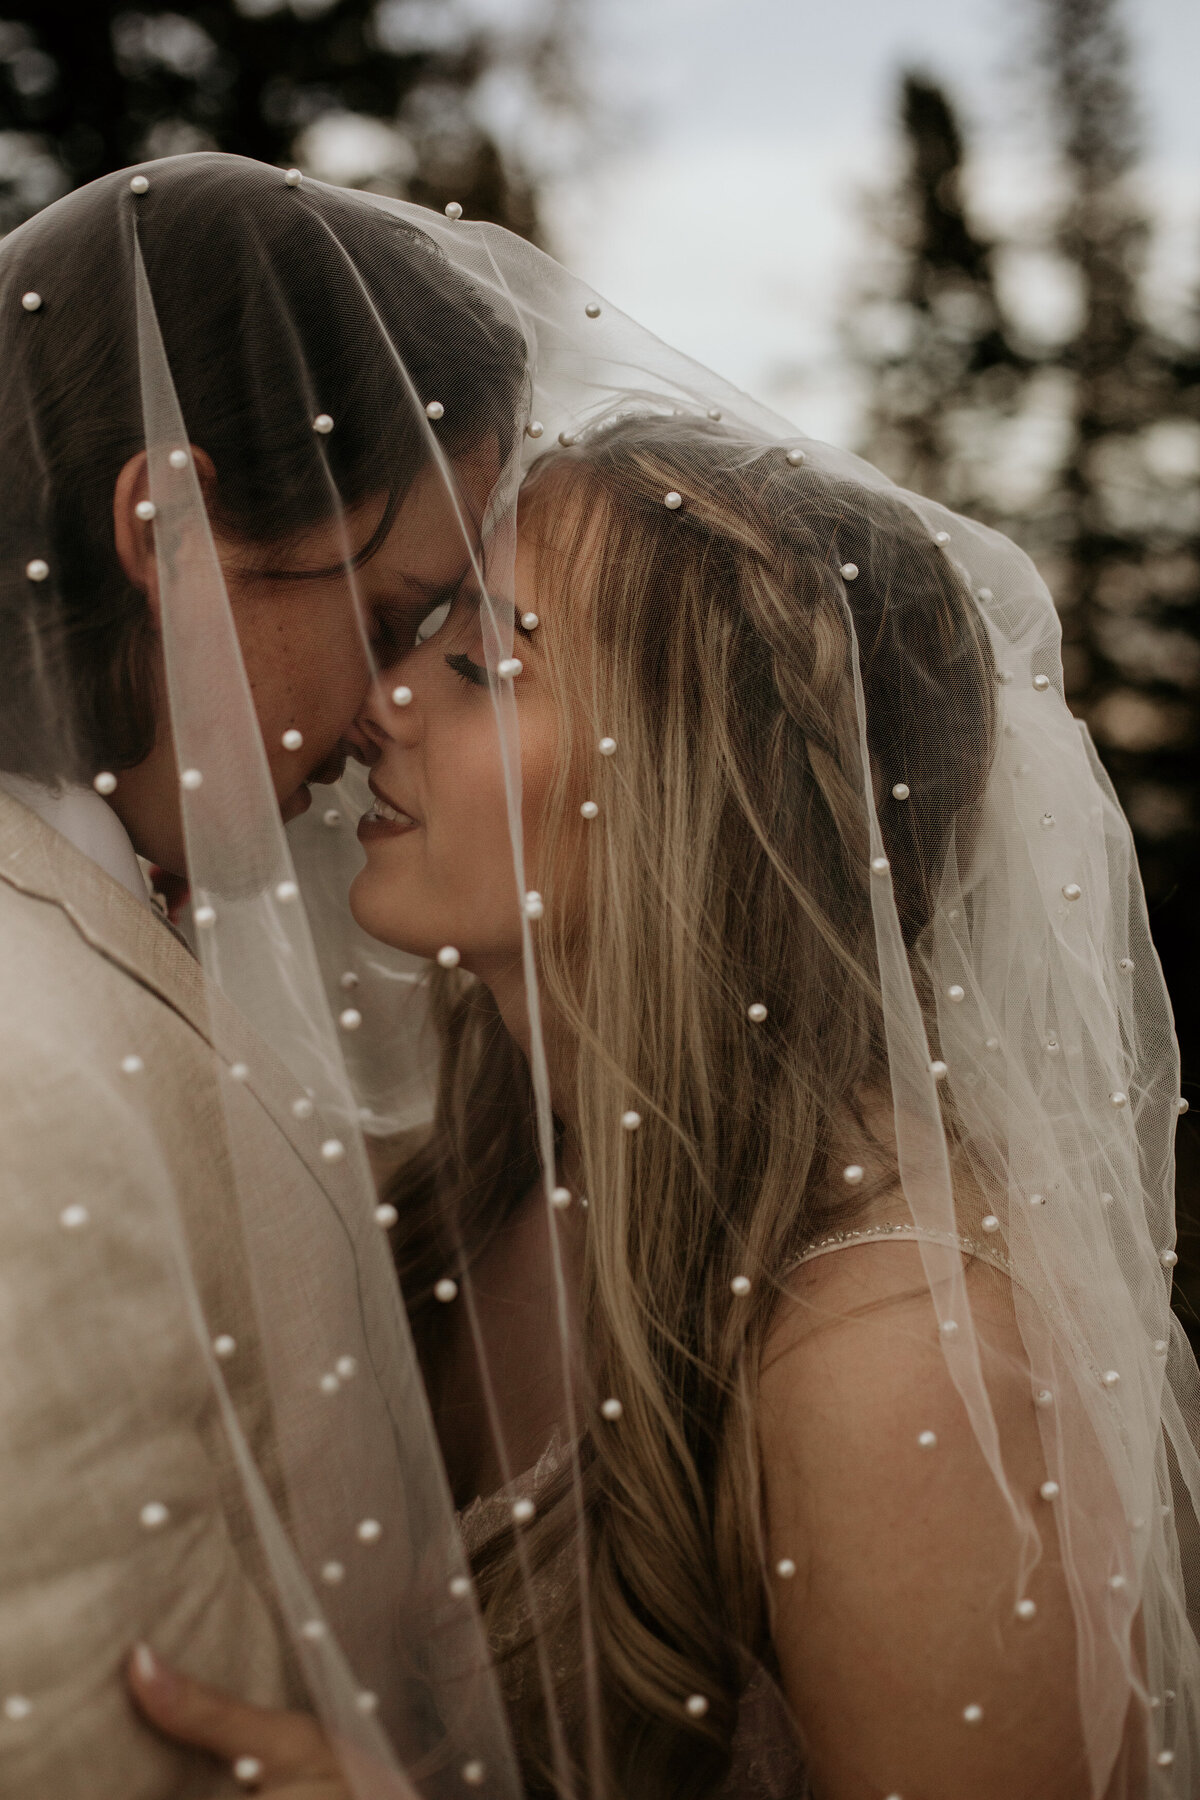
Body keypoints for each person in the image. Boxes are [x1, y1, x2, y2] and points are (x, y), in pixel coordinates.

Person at [131, 410, 1200, 1797]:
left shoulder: (897, 1365)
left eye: (476, 664)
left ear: (694, 786)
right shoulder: (464, 1195)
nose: (383, 695)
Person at [0, 154, 526, 1797]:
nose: (391, 704)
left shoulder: (124, 927)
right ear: (162, 526)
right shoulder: (30, 1084)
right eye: (392, 610)